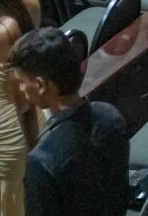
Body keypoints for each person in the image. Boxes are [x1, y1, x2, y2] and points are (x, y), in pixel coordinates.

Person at [12, 26, 129, 216]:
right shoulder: (111, 116)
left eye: (22, 81)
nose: (21, 88)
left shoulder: (42, 162)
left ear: (41, 85)